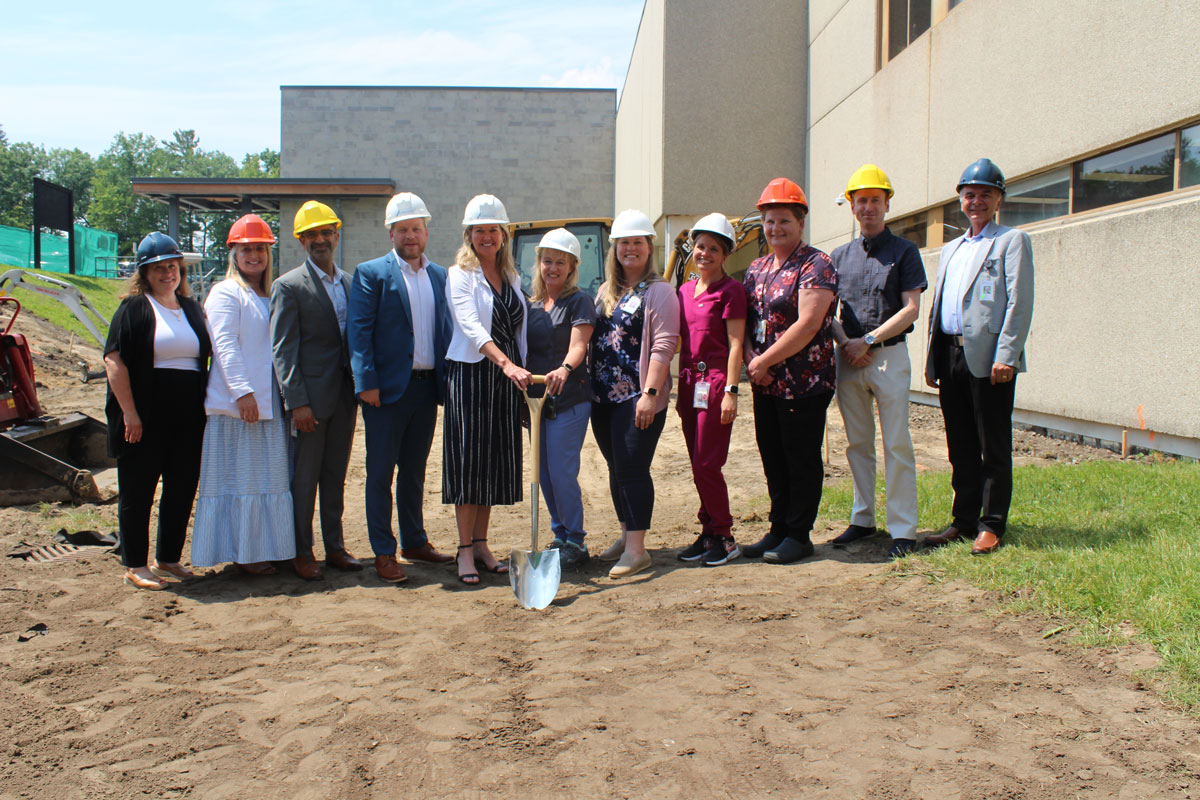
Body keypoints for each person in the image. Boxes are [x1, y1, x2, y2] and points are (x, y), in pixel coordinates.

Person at [923, 158, 1034, 556]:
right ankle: (964, 520)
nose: (977, 201)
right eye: (970, 194)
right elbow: (939, 308)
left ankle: (992, 524)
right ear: (961, 200)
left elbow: (1019, 303)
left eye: (986, 194)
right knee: (960, 445)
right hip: (951, 356)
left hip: (990, 362)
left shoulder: (1011, 241)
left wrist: (1007, 354)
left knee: (993, 444)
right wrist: (933, 361)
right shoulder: (952, 248)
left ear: (998, 199)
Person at [348, 192, 455, 584]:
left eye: (416, 228)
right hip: (386, 392)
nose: (411, 236)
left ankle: (414, 541)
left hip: (427, 390)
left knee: (413, 471)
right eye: (403, 229)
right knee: (379, 474)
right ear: (391, 233)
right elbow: (358, 333)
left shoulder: (441, 276)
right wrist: (366, 383)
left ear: (426, 231)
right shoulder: (371, 273)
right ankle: (383, 551)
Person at [828, 165, 927, 560]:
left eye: (875, 200)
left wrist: (868, 339)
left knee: (897, 443)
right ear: (851, 206)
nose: (868, 207)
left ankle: (903, 529)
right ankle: (863, 517)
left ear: (887, 203)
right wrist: (847, 343)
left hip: (889, 358)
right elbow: (826, 312)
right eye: (861, 200)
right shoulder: (838, 256)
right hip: (848, 359)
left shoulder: (904, 251)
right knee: (858, 444)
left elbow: (912, 309)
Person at [103, 232, 211, 590]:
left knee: (181, 487)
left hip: (188, 416)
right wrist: (130, 413)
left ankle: (168, 558)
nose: (168, 274)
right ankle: (135, 564)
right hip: (146, 417)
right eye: (159, 268)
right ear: (145, 274)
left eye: (173, 267)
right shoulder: (133, 309)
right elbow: (114, 360)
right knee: (139, 488)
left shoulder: (192, 309)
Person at [741, 178, 838, 565]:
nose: (775, 228)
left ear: (800, 222)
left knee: (800, 459)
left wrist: (764, 361)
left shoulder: (817, 264)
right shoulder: (757, 267)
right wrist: (753, 359)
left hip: (804, 382)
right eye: (768, 221)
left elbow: (809, 323)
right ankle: (778, 528)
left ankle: (799, 534)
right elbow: (747, 321)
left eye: (783, 220)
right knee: (773, 457)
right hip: (765, 383)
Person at [192, 215, 296, 575]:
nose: (254, 255)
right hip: (242, 407)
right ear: (233, 253)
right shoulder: (226, 292)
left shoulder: (269, 293)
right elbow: (224, 345)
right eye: (246, 249)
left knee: (270, 478)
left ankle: (269, 546)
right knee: (243, 479)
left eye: (260, 249)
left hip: (270, 403)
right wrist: (243, 392)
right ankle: (247, 553)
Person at [270, 200, 364, 581]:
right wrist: (297, 403)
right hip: (310, 402)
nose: (320, 240)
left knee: (335, 476)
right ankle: (301, 552)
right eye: (312, 235)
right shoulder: (288, 286)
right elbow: (283, 349)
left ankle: (335, 548)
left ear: (337, 236)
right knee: (304, 479)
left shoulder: (348, 282)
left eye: (326, 233)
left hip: (344, 398)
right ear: (300, 242)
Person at [443, 194, 530, 586]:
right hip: (473, 374)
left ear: (504, 233)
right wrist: (506, 363)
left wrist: (521, 370)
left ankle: (481, 544)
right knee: (469, 463)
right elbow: (470, 327)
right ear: (469, 235)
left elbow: (520, 330)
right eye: (479, 230)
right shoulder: (459, 274)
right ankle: (463, 550)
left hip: (506, 379)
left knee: (492, 463)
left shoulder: (512, 277)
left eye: (493, 229)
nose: (487, 236)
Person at [590, 209, 680, 579]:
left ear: (649, 246)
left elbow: (663, 346)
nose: (630, 249)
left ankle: (637, 551)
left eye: (637, 242)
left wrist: (650, 392)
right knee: (616, 469)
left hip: (636, 397)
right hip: (603, 398)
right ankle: (627, 533)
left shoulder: (659, 291)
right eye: (623, 243)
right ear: (614, 248)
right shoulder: (606, 291)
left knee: (632, 468)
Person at [674, 213, 747, 567]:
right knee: (696, 463)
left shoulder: (731, 291)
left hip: (716, 383)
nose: (704, 253)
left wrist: (732, 390)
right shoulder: (685, 291)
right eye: (700, 246)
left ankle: (725, 536)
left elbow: (736, 344)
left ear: (725, 254)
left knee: (708, 462)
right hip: (688, 385)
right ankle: (708, 533)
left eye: (713, 249)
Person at [525, 228, 596, 570]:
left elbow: (579, 344)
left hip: (569, 399)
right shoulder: (532, 304)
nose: (552, 267)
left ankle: (576, 540)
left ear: (571, 267)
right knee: (543, 473)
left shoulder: (578, 301)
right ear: (538, 262)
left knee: (562, 471)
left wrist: (565, 368)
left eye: (560, 262)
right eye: (547, 260)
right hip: (536, 401)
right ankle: (559, 534)